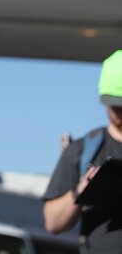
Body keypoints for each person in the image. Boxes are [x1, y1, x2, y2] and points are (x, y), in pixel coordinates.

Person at [43, 50, 122, 252]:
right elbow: (53, 223)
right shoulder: (84, 149)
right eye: (114, 105)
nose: (119, 113)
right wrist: (82, 188)